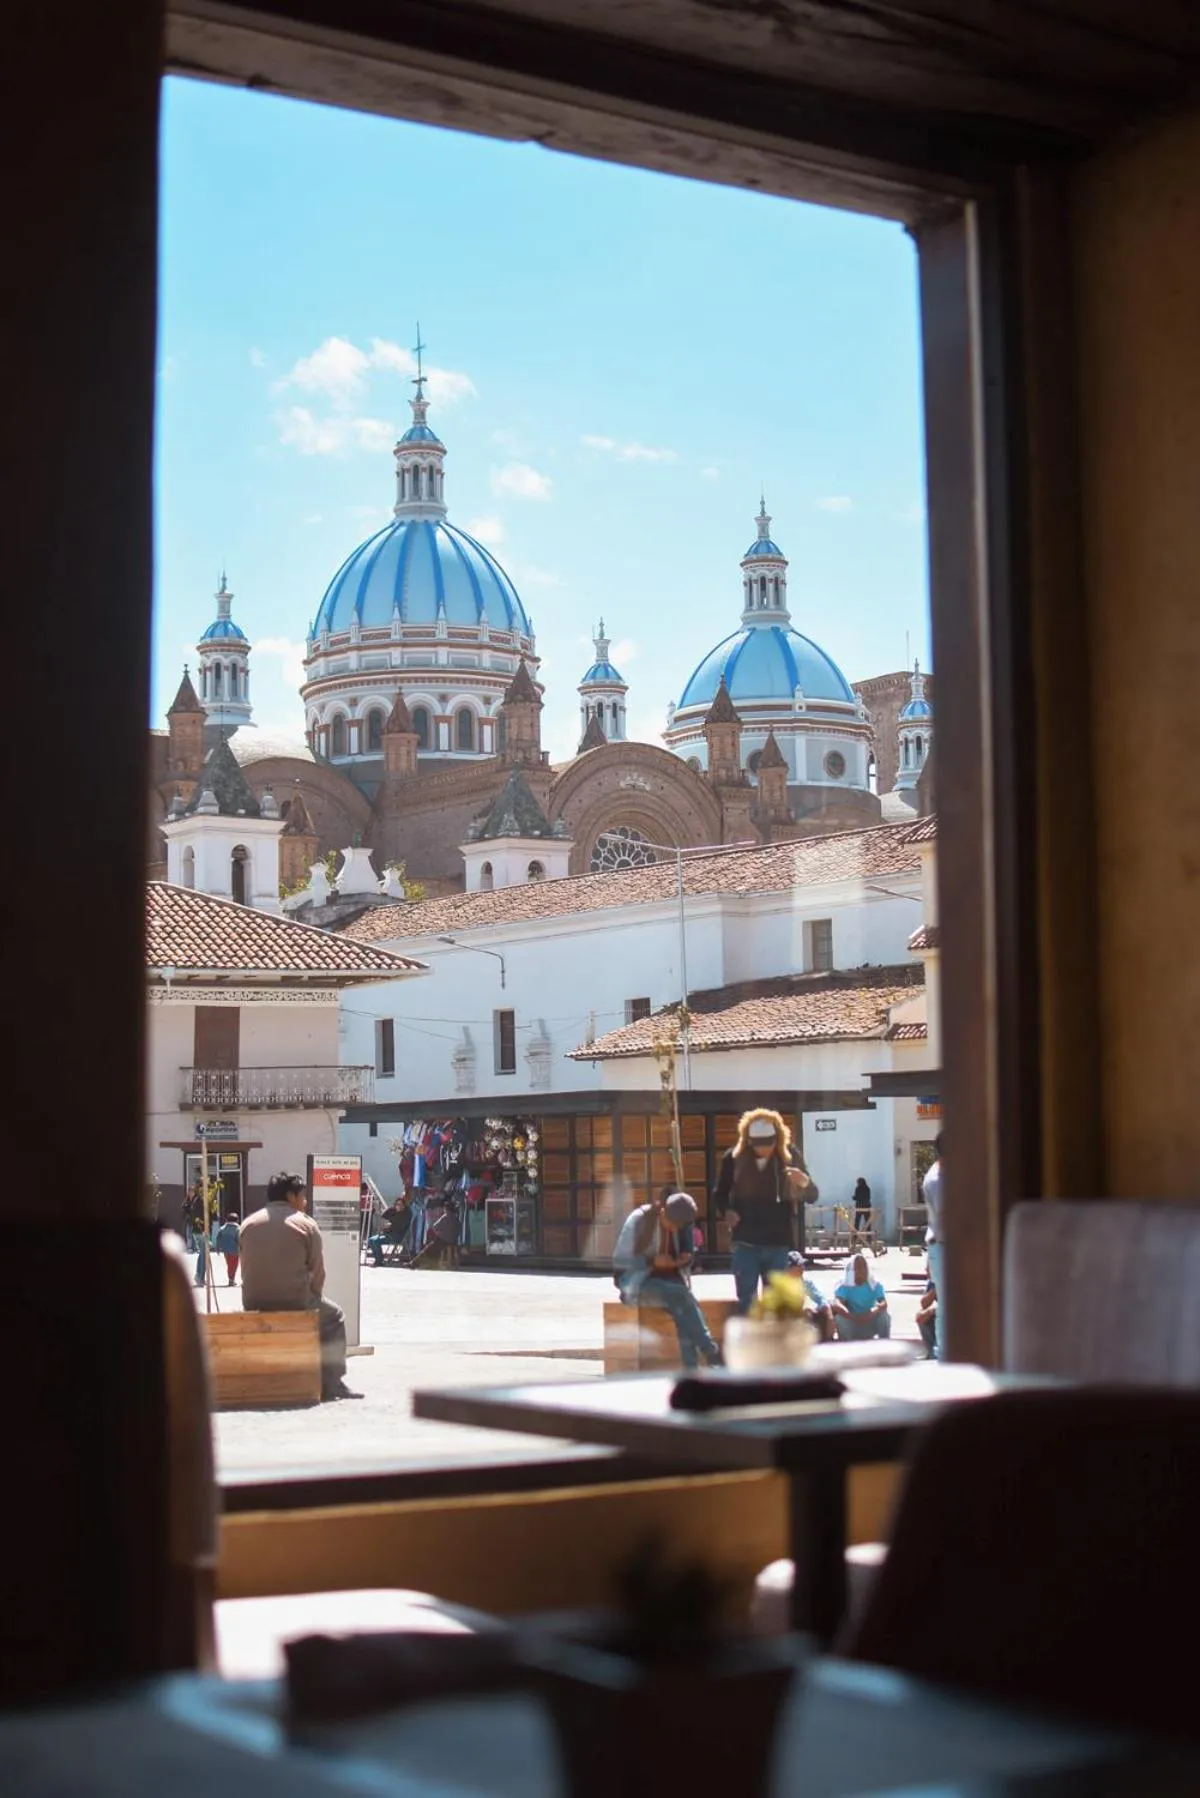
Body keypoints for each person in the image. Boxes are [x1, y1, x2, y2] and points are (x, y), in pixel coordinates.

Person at [239, 1171, 361, 1401]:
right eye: (302, 1196)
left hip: (253, 1300)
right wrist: (312, 1297)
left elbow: (245, 1266)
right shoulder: (305, 1224)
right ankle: (332, 1383)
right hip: (295, 1300)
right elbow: (318, 1273)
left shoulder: (248, 1223)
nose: (304, 1202)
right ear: (290, 1196)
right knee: (334, 1316)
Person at [714, 1109, 814, 1314]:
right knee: (747, 1301)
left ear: (778, 1138)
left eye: (769, 1143)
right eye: (758, 1144)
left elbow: (813, 1195)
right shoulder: (733, 1158)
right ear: (748, 1141)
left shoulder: (790, 1157)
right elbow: (719, 1193)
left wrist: (804, 1182)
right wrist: (727, 1211)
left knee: (776, 1304)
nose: (764, 1149)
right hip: (745, 1242)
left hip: (778, 1243)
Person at [613, 1189, 722, 1369]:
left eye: (679, 1227)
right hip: (637, 1283)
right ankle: (711, 1351)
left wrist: (685, 1259)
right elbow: (620, 1262)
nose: (674, 1229)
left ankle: (692, 1371)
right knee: (681, 1296)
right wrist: (651, 1261)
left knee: (685, 1310)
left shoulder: (684, 1224)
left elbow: (689, 1254)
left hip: (672, 1283)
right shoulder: (640, 1219)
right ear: (663, 1211)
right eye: (671, 1224)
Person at [831, 1253, 891, 1341]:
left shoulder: (875, 1285)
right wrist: (852, 1316)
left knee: (884, 1315)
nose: (862, 1270)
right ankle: (846, 1345)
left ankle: (884, 1343)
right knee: (839, 1318)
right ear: (851, 1271)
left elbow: (883, 1303)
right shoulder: (843, 1286)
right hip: (852, 1324)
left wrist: (872, 1312)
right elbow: (837, 1304)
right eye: (858, 1268)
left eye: (864, 1267)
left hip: (869, 1322)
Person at [923, 1134, 943, 1359]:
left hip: (940, 1246)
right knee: (947, 1306)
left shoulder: (942, 1176)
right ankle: (944, 1355)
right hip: (944, 1246)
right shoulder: (938, 1180)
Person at [213, 1212, 241, 1286]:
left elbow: (218, 1238)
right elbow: (239, 1239)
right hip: (235, 1250)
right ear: (237, 1220)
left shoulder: (222, 1228)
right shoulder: (237, 1229)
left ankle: (231, 1279)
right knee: (234, 1265)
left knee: (229, 1265)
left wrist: (218, 1248)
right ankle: (231, 1280)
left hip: (225, 1250)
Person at [916, 1275, 938, 1359]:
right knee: (921, 1316)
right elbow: (924, 1304)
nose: (926, 1270)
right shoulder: (933, 1281)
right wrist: (937, 1288)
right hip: (940, 1310)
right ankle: (932, 1353)